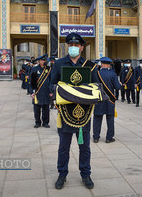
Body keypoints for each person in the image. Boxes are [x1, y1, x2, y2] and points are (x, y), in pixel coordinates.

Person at [50, 33, 98, 190]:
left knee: (84, 147)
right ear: (67, 46)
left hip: (83, 114)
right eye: (71, 45)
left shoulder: (89, 65)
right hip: (65, 112)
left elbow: (96, 86)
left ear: (82, 48)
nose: (73, 47)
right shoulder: (59, 64)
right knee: (63, 147)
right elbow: (51, 85)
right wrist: (63, 91)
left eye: (76, 45)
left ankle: (86, 174)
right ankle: (62, 174)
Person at [93, 57, 121, 143]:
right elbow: (117, 87)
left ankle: (96, 137)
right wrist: (120, 84)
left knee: (97, 118)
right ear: (109, 65)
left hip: (99, 98)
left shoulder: (96, 73)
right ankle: (109, 138)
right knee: (110, 119)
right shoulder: (112, 74)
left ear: (101, 64)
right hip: (110, 100)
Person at [30, 54, 52, 128]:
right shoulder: (34, 69)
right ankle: (37, 122)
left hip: (46, 92)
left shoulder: (49, 69)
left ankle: (45, 122)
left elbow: (51, 81)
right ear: (39, 61)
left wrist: (51, 91)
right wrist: (32, 92)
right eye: (43, 60)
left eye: (45, 60)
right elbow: (32, 81)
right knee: (37, 109)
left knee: (46, 108)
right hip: (37, 92)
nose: (44, 61)